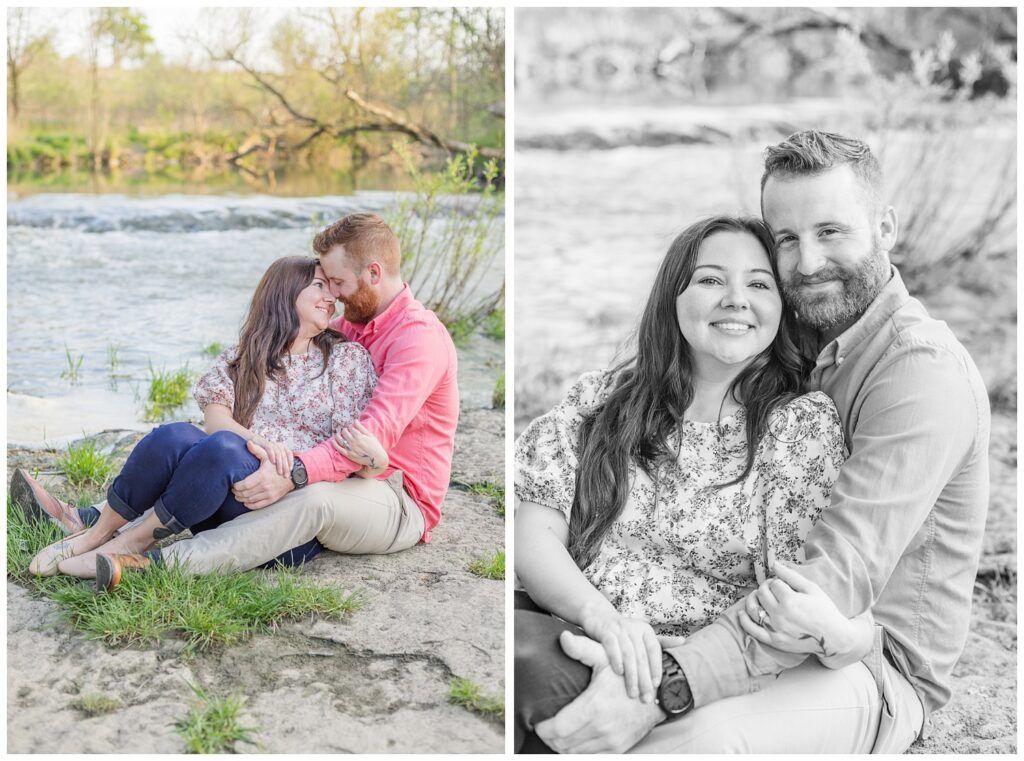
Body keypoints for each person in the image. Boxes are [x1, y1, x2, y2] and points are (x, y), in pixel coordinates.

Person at [530, 130, 990, 754]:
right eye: (787, 239)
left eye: (831, 231)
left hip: (866, 665)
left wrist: (667, 686)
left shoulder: (920, 374)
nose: (806, 263)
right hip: (742, 635)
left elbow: (828, 582)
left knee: (671, 746)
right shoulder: (793, 327)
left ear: (885, 226)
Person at [515, 215, 865, 751]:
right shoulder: (604, 401)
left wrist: (668, 670)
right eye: (710, 279)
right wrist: (604, 621)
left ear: (781, 308)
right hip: (574, 622)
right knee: (517, 651)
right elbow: (534, 532)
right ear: (672, 297)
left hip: (687, 668)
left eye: (758, 283)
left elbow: (791, 598)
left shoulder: (799, 427)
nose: (735, 299)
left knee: (537, 677)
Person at [52, 212, 460, 574]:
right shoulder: (352, 324)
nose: (332, 295)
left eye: (337, 282)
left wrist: (292, 472)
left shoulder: (417, 340)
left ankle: (151, 561)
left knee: (313, 498)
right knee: (183, 438)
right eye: (324, 284)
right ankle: (100, 522)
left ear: (374, 273)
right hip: (346, 474)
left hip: (395, 492)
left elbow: (369, 439)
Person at [16, 256, 383, 588]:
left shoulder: (345, 361)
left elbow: (348, 450)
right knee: (175, 435)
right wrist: (263, 445)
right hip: (221, 500)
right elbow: (216, 421)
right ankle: (97, 533)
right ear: (285, 293)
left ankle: (134, 540)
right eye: (319, 285)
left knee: (224, 449)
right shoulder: (243, 358)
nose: (330, 297)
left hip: (286, 526)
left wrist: (286, 465)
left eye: (332, 289)